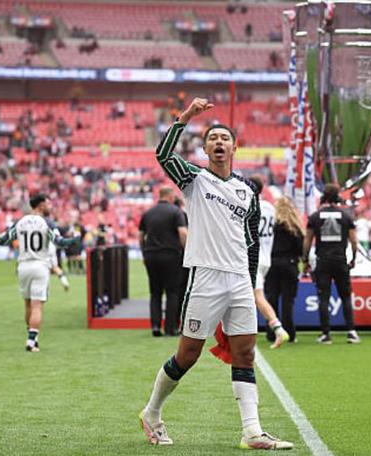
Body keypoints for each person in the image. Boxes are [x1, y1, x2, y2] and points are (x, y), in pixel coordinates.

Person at [140, 98, 293, 450]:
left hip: (239, 280)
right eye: (213, 139)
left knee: (245, 354)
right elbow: (163, 154)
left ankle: (252, 432)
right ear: (206, 149)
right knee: (187, 354)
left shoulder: (248, 191)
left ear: (235, 147)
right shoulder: (194, 179)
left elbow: (251, 242)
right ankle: (152, 412)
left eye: (225, 138)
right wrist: (187, 117)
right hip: (206, 277)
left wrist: (249, 282)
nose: (219, 142)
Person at [0, 194, 78, 352]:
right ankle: (31, 341)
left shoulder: (20, 221)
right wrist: (75, 239)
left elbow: (3, 240)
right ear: (41, 205)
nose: (50, 207)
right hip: (40, 266)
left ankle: (33, 339)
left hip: (23, 266)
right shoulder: (47, 223)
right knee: (37, 306)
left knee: (27, 304)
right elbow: (60, 242)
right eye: (48, 204)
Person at [303, 184, 361, 345]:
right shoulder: (346, 216)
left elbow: (307, 241)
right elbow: (354, 241)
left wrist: (305, 260)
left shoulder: (315, 217)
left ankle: (326, 334)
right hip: (340, 260)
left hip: (323, 261)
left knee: (324, 297)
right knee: (346, 296)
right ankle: (351, 332)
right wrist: (353, 258)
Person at [139, 186, 188, 337]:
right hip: (170, 255)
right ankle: (170, 328)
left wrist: (144, 253)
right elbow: (183, 233)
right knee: (172, 292)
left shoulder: (148, 213)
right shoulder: (176, 212)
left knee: (155, 293)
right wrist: (186, 251)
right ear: (170, 196)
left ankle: (155, 326)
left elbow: (141, 236)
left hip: (151, 255)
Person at [248, 175, 290, 349]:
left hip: (252, 259)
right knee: (247, 298)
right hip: (266, 258)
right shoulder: (269, 207)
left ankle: (278, 328)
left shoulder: (248, 206)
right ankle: (243, 332)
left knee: (257, 297)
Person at [265, 196, 304, 343]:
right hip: (290, 264)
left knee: (272, 299)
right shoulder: (295, 227)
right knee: (288, 301)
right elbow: (300, 249)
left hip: (273, 264)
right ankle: (290, 332)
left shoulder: (271, 227)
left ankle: (272, 332)